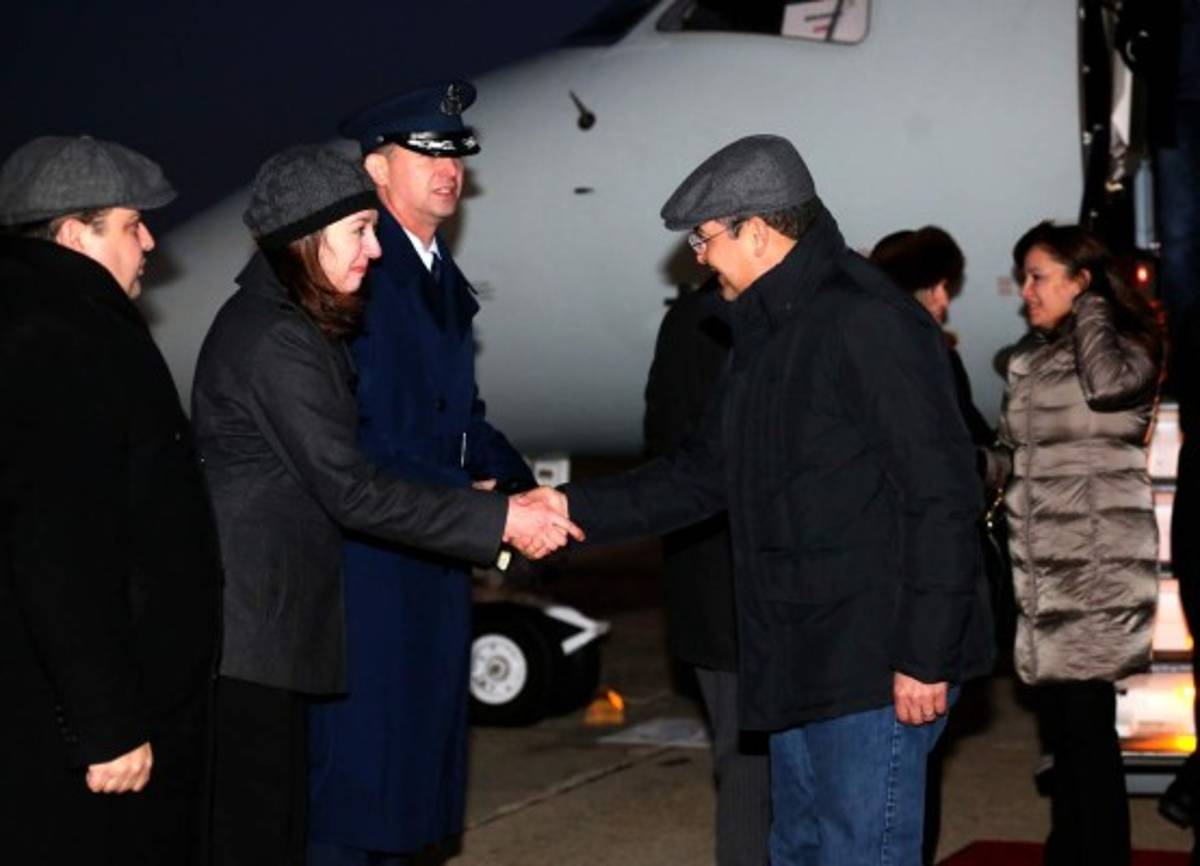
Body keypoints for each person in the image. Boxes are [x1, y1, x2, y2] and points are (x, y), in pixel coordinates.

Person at [527, 134, 993, 865]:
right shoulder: (768, 329)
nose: (699, 257)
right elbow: (702, 473)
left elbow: (941, 494)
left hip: (873, 665)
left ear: (759, 231)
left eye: (704, 238)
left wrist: (927, 656)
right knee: (795, 849)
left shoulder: (866, 320)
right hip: (796, 655)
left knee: (859, 854)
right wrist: (567, 510)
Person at [191, 145, 578, 866]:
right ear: (306, 237)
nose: (374, 250)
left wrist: (481, 497)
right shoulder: (277, 337)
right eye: (360, 232)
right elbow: (352, 488)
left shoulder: (299, 324)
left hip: (280, 632)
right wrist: (499, 520)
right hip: (258, 642)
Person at [301, 82, 537, 866]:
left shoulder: (436, 273)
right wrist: (474, 505)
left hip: (430, 551)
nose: (449, 169)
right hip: (372, 560)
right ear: (376, 168)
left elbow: (460, 417)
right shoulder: (360, 271)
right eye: (426, 152)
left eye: (456, 152)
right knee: (361, 775)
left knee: (412, 770)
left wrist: (523, 489)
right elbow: (356, 432)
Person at [0, 135, 222, 864]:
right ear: (74, 234)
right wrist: (107, 724)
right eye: (132, 225)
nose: (150, 242)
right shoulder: (58, 339)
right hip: (94, 728)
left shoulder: (61, 320)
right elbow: (55, 546)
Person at [985, 221, 1162, 866]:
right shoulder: (1028, 361)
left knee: (1087, 736)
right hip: (1041, 572)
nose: (1026, 291)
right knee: (1063, 736)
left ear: (1081, 281)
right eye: (1024, 278)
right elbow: (1010, 454)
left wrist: (1092, 307)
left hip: (1098, 570)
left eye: (1038, 277)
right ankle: (1068, 853)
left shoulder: (1131, 347)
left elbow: (1108, 387)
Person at [644, 275, 770, 866]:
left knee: (747, 762)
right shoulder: (734, 323)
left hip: (708, 580)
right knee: (751, 766)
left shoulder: (686, 322)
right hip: (738, 586)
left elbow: (661, 443)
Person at [870, 226, 992, 446]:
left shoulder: (943, 357)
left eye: (946, 287)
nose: (944, 300)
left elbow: (971, 429)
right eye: (936, 288)